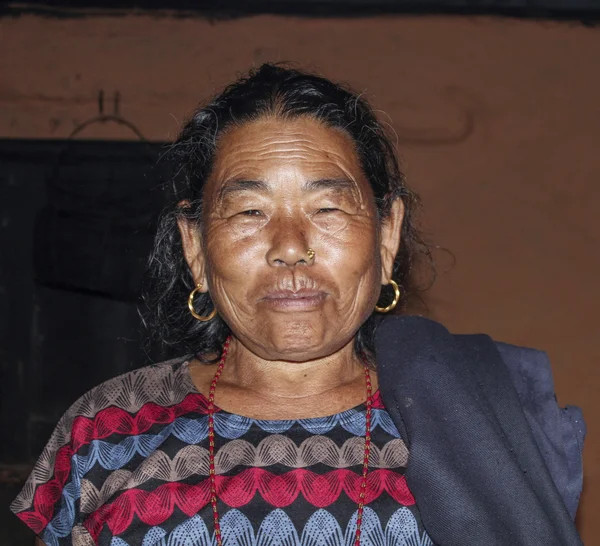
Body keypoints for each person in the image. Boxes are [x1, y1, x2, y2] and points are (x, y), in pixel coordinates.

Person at [12, 64, 585, 546]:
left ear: (387, 238)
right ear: (195, 247)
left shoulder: (485, 421)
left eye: (329, 209)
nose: (289, 248)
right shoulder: (109, 430)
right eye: (249, 212)